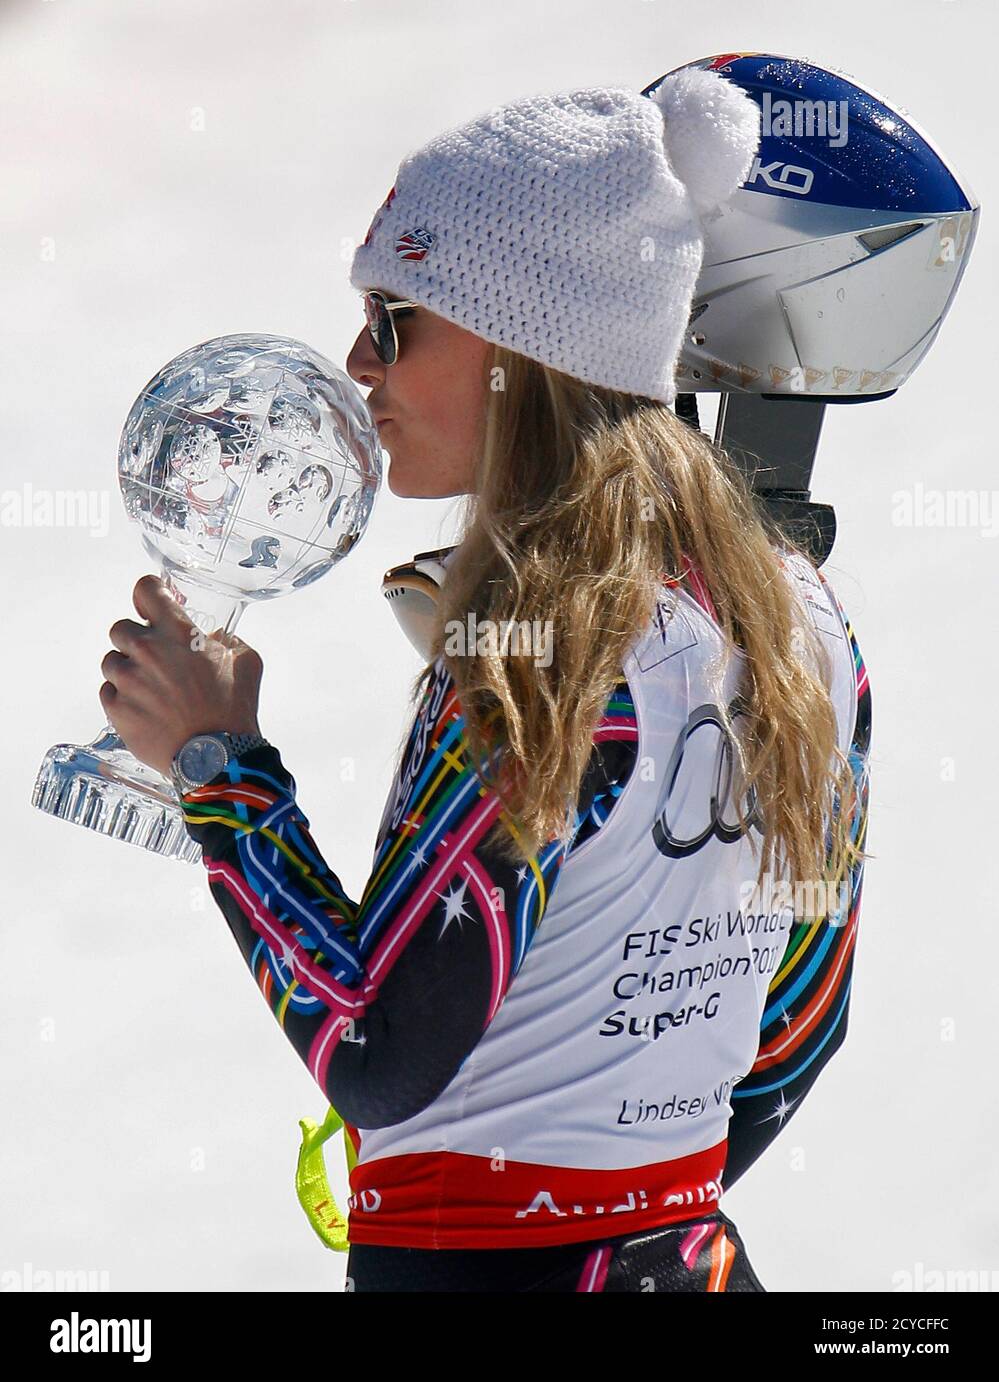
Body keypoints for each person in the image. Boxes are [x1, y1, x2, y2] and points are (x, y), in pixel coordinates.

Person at [99, 68, 872, 1292]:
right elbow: (799, 1026)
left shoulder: (545, 635)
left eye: (396, 318)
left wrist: (218, 769)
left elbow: (378, 1041)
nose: (358, 361)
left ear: (522, 343)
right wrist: (630, 1178)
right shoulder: (798, 611)